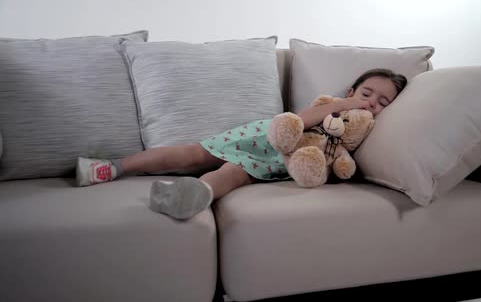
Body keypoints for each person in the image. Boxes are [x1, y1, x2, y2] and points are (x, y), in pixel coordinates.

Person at [76, 68, 408, 219]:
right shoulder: (332, 105)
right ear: (351, 91)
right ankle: (114, 166)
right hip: (262, 136)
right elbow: (300, 118)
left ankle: (191, 196)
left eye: (382, 102)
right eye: (366, 94)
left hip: (274, 165)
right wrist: (339, 106)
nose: (371, 104)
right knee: (191, 155)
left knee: (233, 175)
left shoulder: (362, 131)